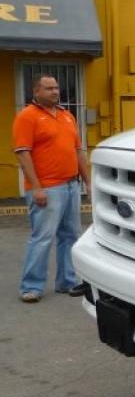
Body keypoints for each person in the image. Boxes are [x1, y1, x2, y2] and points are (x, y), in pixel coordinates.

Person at [12, 74, 91, 303]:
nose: (55, 92)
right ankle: (31, 287)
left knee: (70, 236)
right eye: (48, 88)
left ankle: (67, 281)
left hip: (71, 186)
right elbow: (23, 154)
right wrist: (36, 188)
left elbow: (77, 151)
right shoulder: (27, 117)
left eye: (56, 87)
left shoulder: (67, 116)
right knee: (42, 238)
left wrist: (87, 181)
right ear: (36, 92)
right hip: (47, 188)